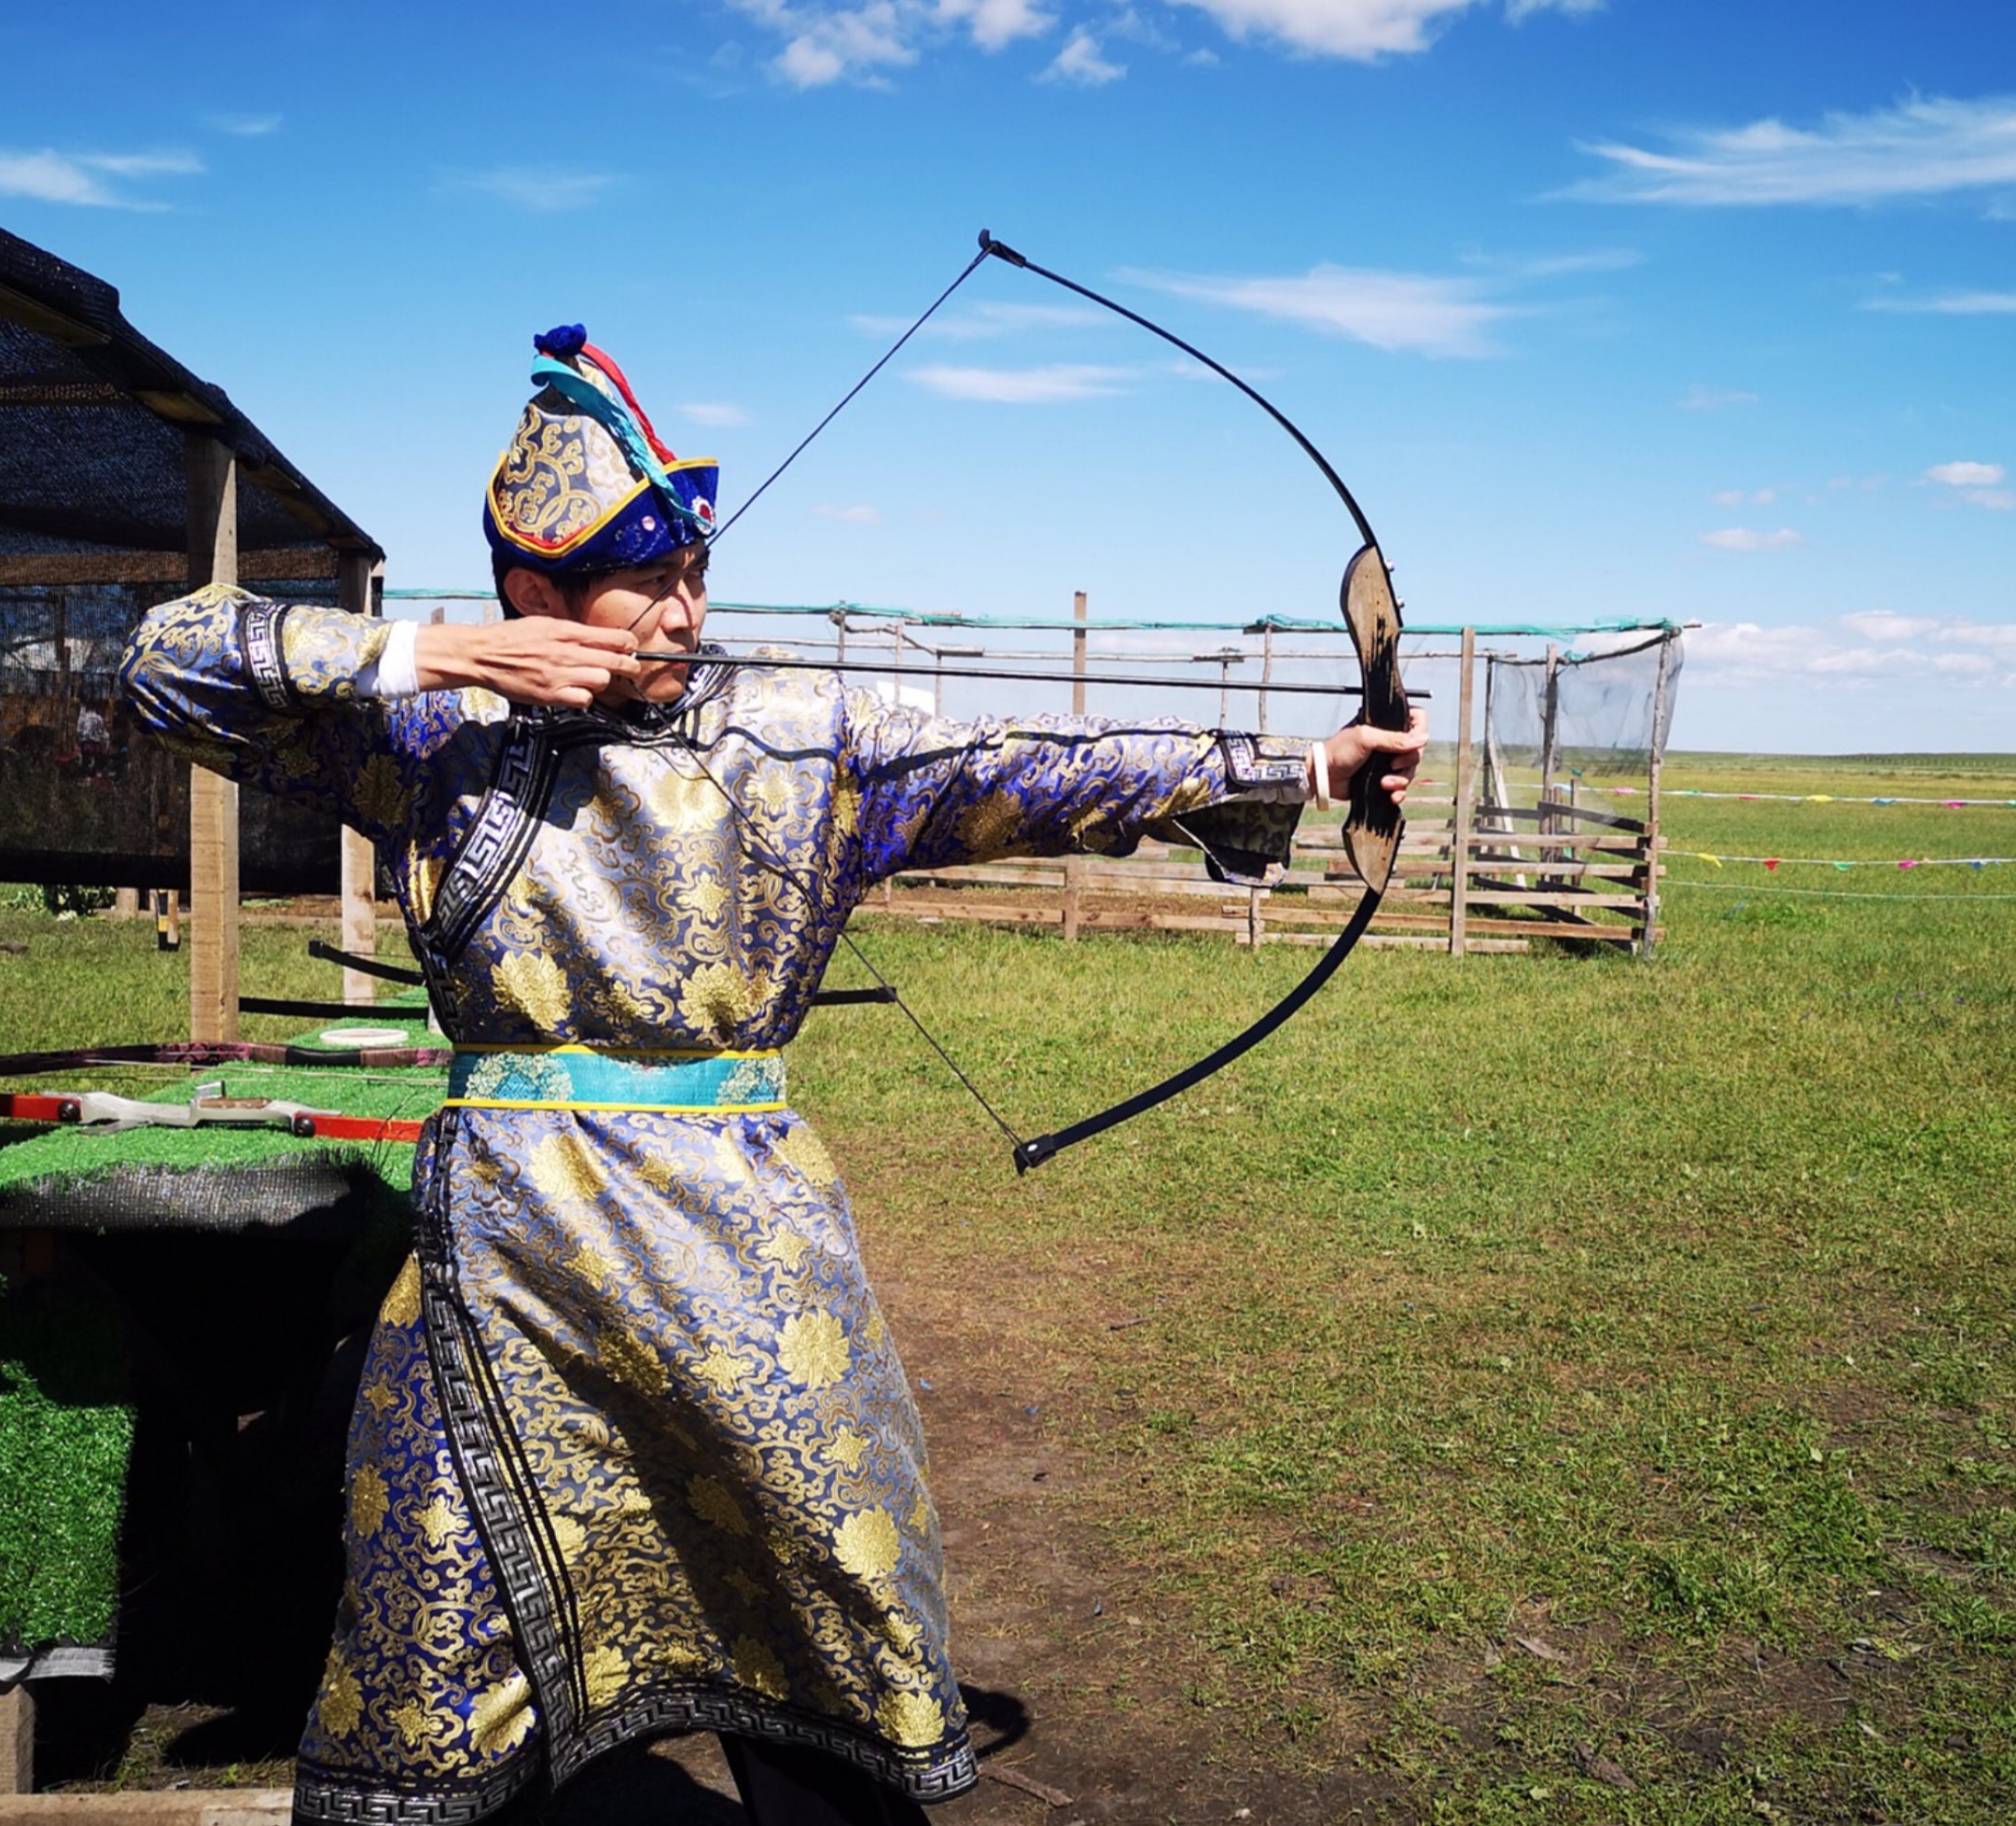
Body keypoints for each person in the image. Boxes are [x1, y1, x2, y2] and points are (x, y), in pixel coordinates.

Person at [121, 327, 1425, 1825]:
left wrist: (1309, 767)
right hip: (501, 1255)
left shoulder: (800, 733)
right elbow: (165, 660)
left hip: (739, 1252)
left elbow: (1043, 758)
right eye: (641, 582)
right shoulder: (432, 737)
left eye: (693, 577)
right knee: (448, 1612)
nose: (682, 612)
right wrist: (434, 651)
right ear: (534, 595)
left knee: (813, 1577)